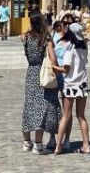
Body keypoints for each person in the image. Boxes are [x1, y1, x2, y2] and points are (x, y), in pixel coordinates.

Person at [21, 13, 62, 154]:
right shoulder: (46, 38)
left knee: (29, 106)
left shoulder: (25, 37)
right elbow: (53, 58)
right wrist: (57, 71)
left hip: (30, 72)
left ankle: (27, 142)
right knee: (41, 109)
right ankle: (38, 144)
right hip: (42, 72)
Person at [51, 23, 90, 155]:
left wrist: (53, 67)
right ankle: (86, 145)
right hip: (82, 84)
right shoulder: (84, 48)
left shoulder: (70, 50)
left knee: (66, 115)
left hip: (70, 85)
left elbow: (65, 69)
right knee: (81, 116)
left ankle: (58, 146)